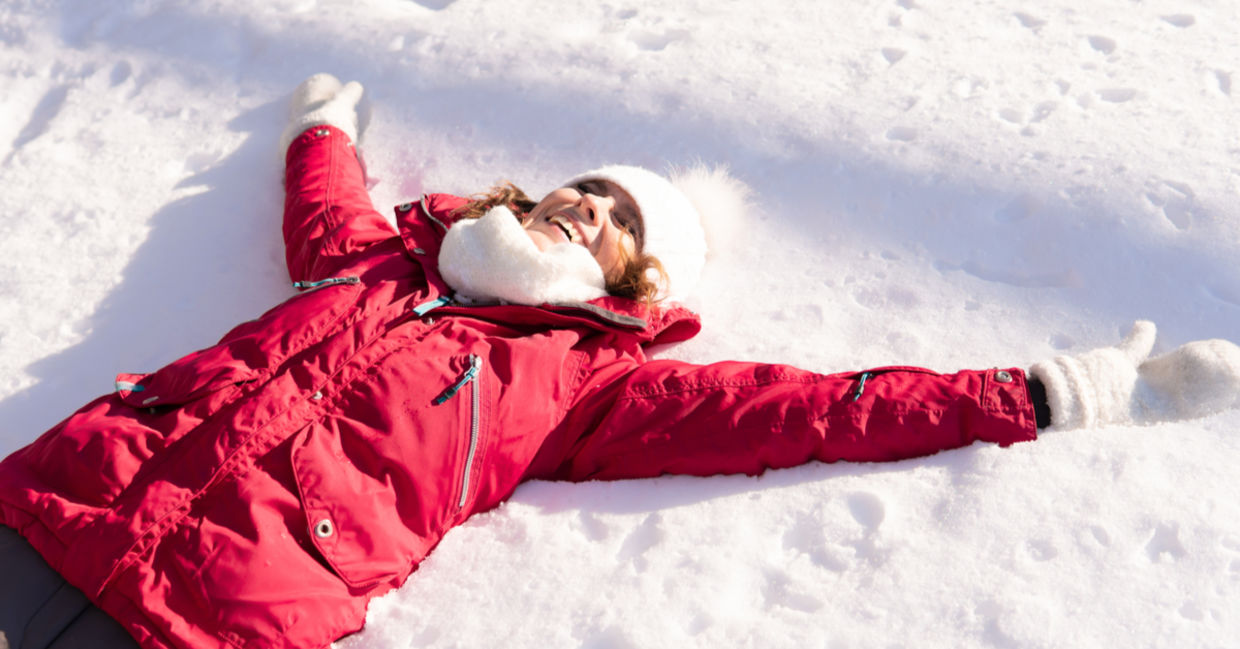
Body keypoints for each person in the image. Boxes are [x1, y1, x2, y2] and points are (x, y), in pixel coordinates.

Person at [1, 73, 1238, 649]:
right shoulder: (376, 261)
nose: (588, 207)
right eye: (586, 188)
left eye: (621, 220)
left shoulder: (587, 389)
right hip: (45, 512)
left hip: (208, 622)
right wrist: (324, 123)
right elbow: (323, 194)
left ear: (633, 284)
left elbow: (819, 411)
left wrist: (1045, 393)